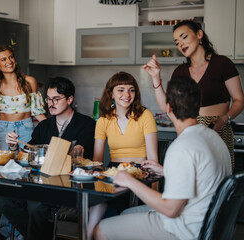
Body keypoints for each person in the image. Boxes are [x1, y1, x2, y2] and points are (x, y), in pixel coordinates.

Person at [95, 76, 232, 240]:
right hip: (212, 224)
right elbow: (202, 177)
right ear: (198, 105)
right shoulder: (213, 137)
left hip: (184, 228)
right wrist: (165, 171)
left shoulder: (181, 147)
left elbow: (170, 210)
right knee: (125, 213)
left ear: (168, 108)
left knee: (100, 230)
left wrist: (130, 181)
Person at [0, 77, 96, 240]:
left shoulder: (87, 124)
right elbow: (28, 151)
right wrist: (14, 146)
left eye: (56, 99)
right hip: (39, 183)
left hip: (67, 185)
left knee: (35, 206)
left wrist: (72, 151)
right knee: (2, 200)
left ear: (70, 99)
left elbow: (80, 152)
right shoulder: (44, 126)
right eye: (48, 99)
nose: (51, 103)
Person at [143, 20, 244, 170]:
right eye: (177, 42)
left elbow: (239, 100)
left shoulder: (222, 63)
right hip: (188, 132)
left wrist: (224, 119)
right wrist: (156, 77)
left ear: (199, 34)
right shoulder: (180, 71)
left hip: (217, 129)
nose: (180, 44)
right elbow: (166, 108)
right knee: (190, 177)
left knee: (216, 179)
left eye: (184, 37)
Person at [88, 71, 158, 239]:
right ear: (111, 93)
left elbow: (153, 159)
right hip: (114, 172)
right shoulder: (103, 120)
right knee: (97, 205)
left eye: (131, 90)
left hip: (141, 172)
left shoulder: (145, 115)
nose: (127, 94)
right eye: (120, 90)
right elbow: (97, 161)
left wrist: (155, 196)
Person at [0, 45, 46, 150]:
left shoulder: (30, 81)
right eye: (3, 59)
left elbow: (37, 112)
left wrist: (52, 127)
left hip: (26, 129)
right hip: (3, 130)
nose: (9, 61)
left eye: (11, 57)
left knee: (26, 161)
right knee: (2, 163)